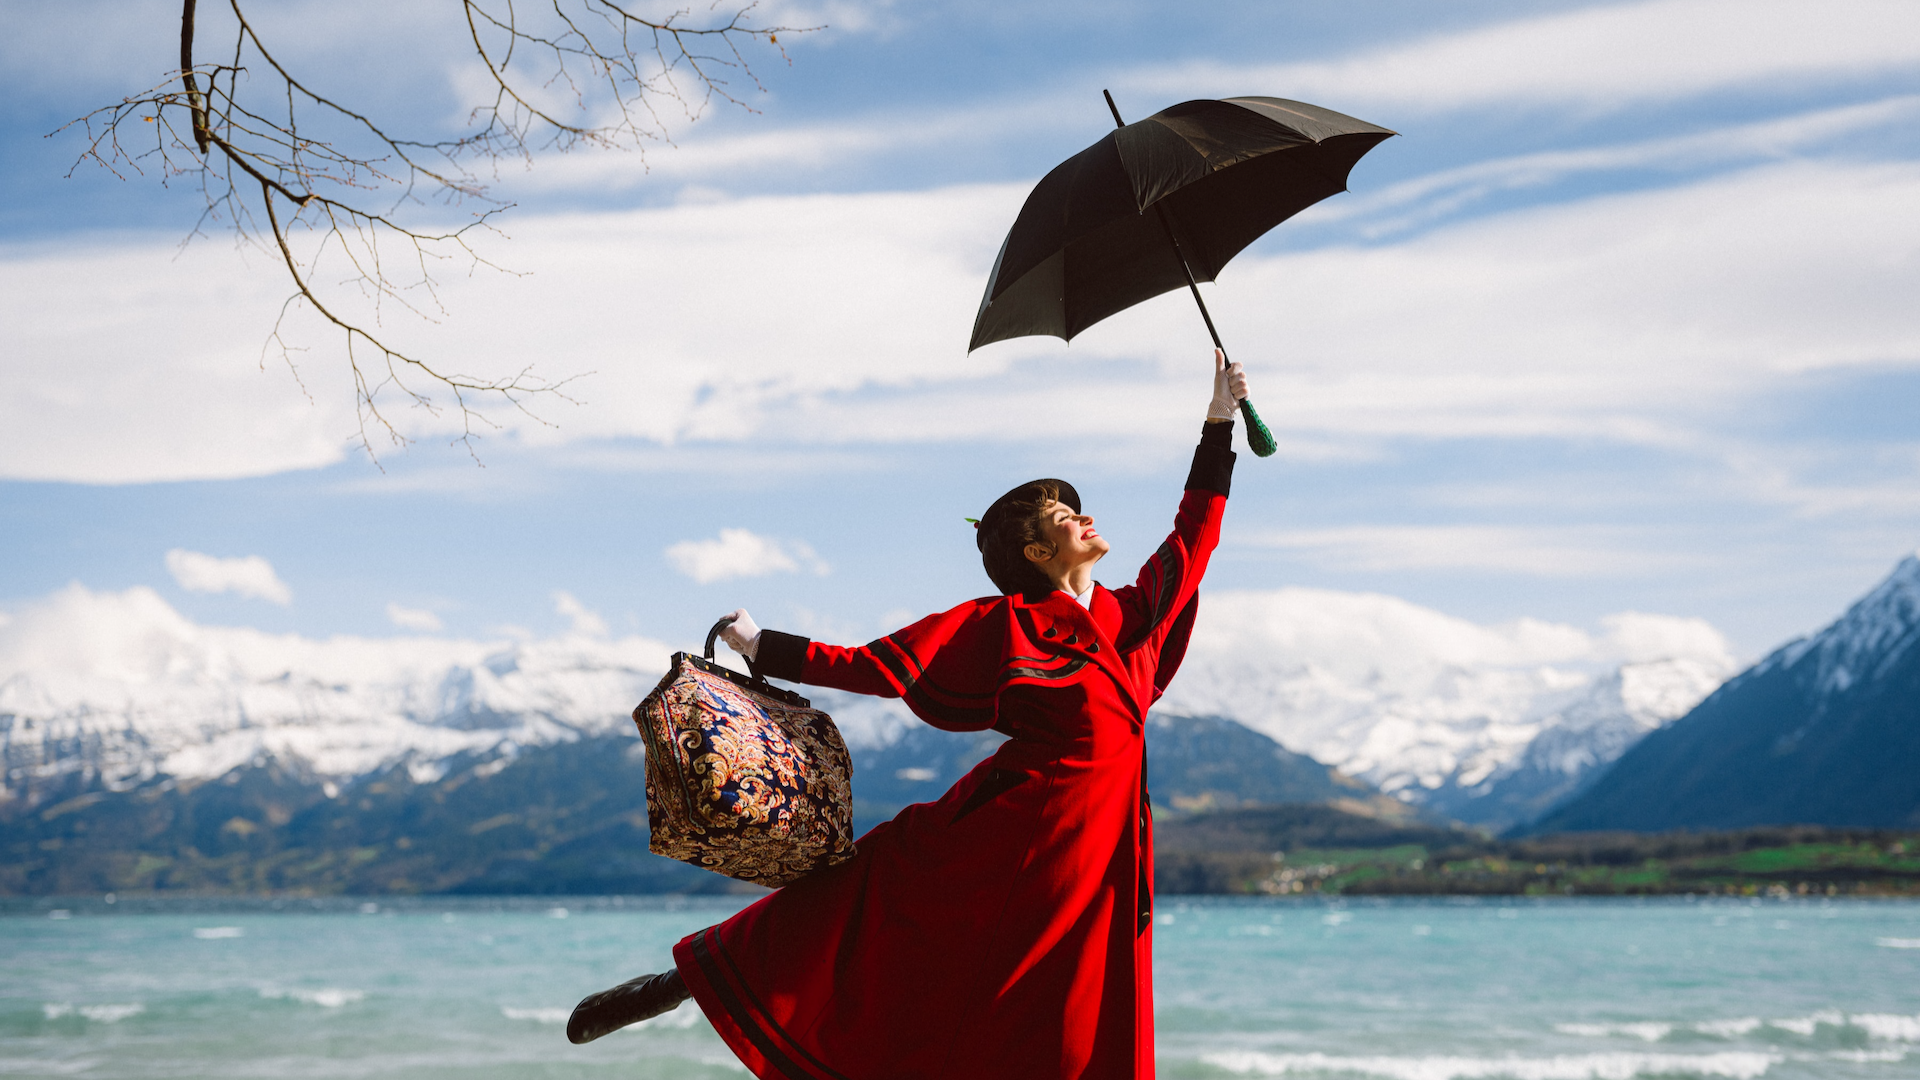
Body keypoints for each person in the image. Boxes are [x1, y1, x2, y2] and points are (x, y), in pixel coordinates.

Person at [569, 350, 1250, 1078]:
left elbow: (1192, 540)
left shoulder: (1128, 620)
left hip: (1107, 849)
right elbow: (879, 667)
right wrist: (763, 644)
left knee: (1075, 1017)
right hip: (1013, 830)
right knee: (864, 895)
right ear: (1035, 550)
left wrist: (1218, 422)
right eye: (1062, 515)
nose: (1084, 516)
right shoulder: (1006, 623)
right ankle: (689, 980)